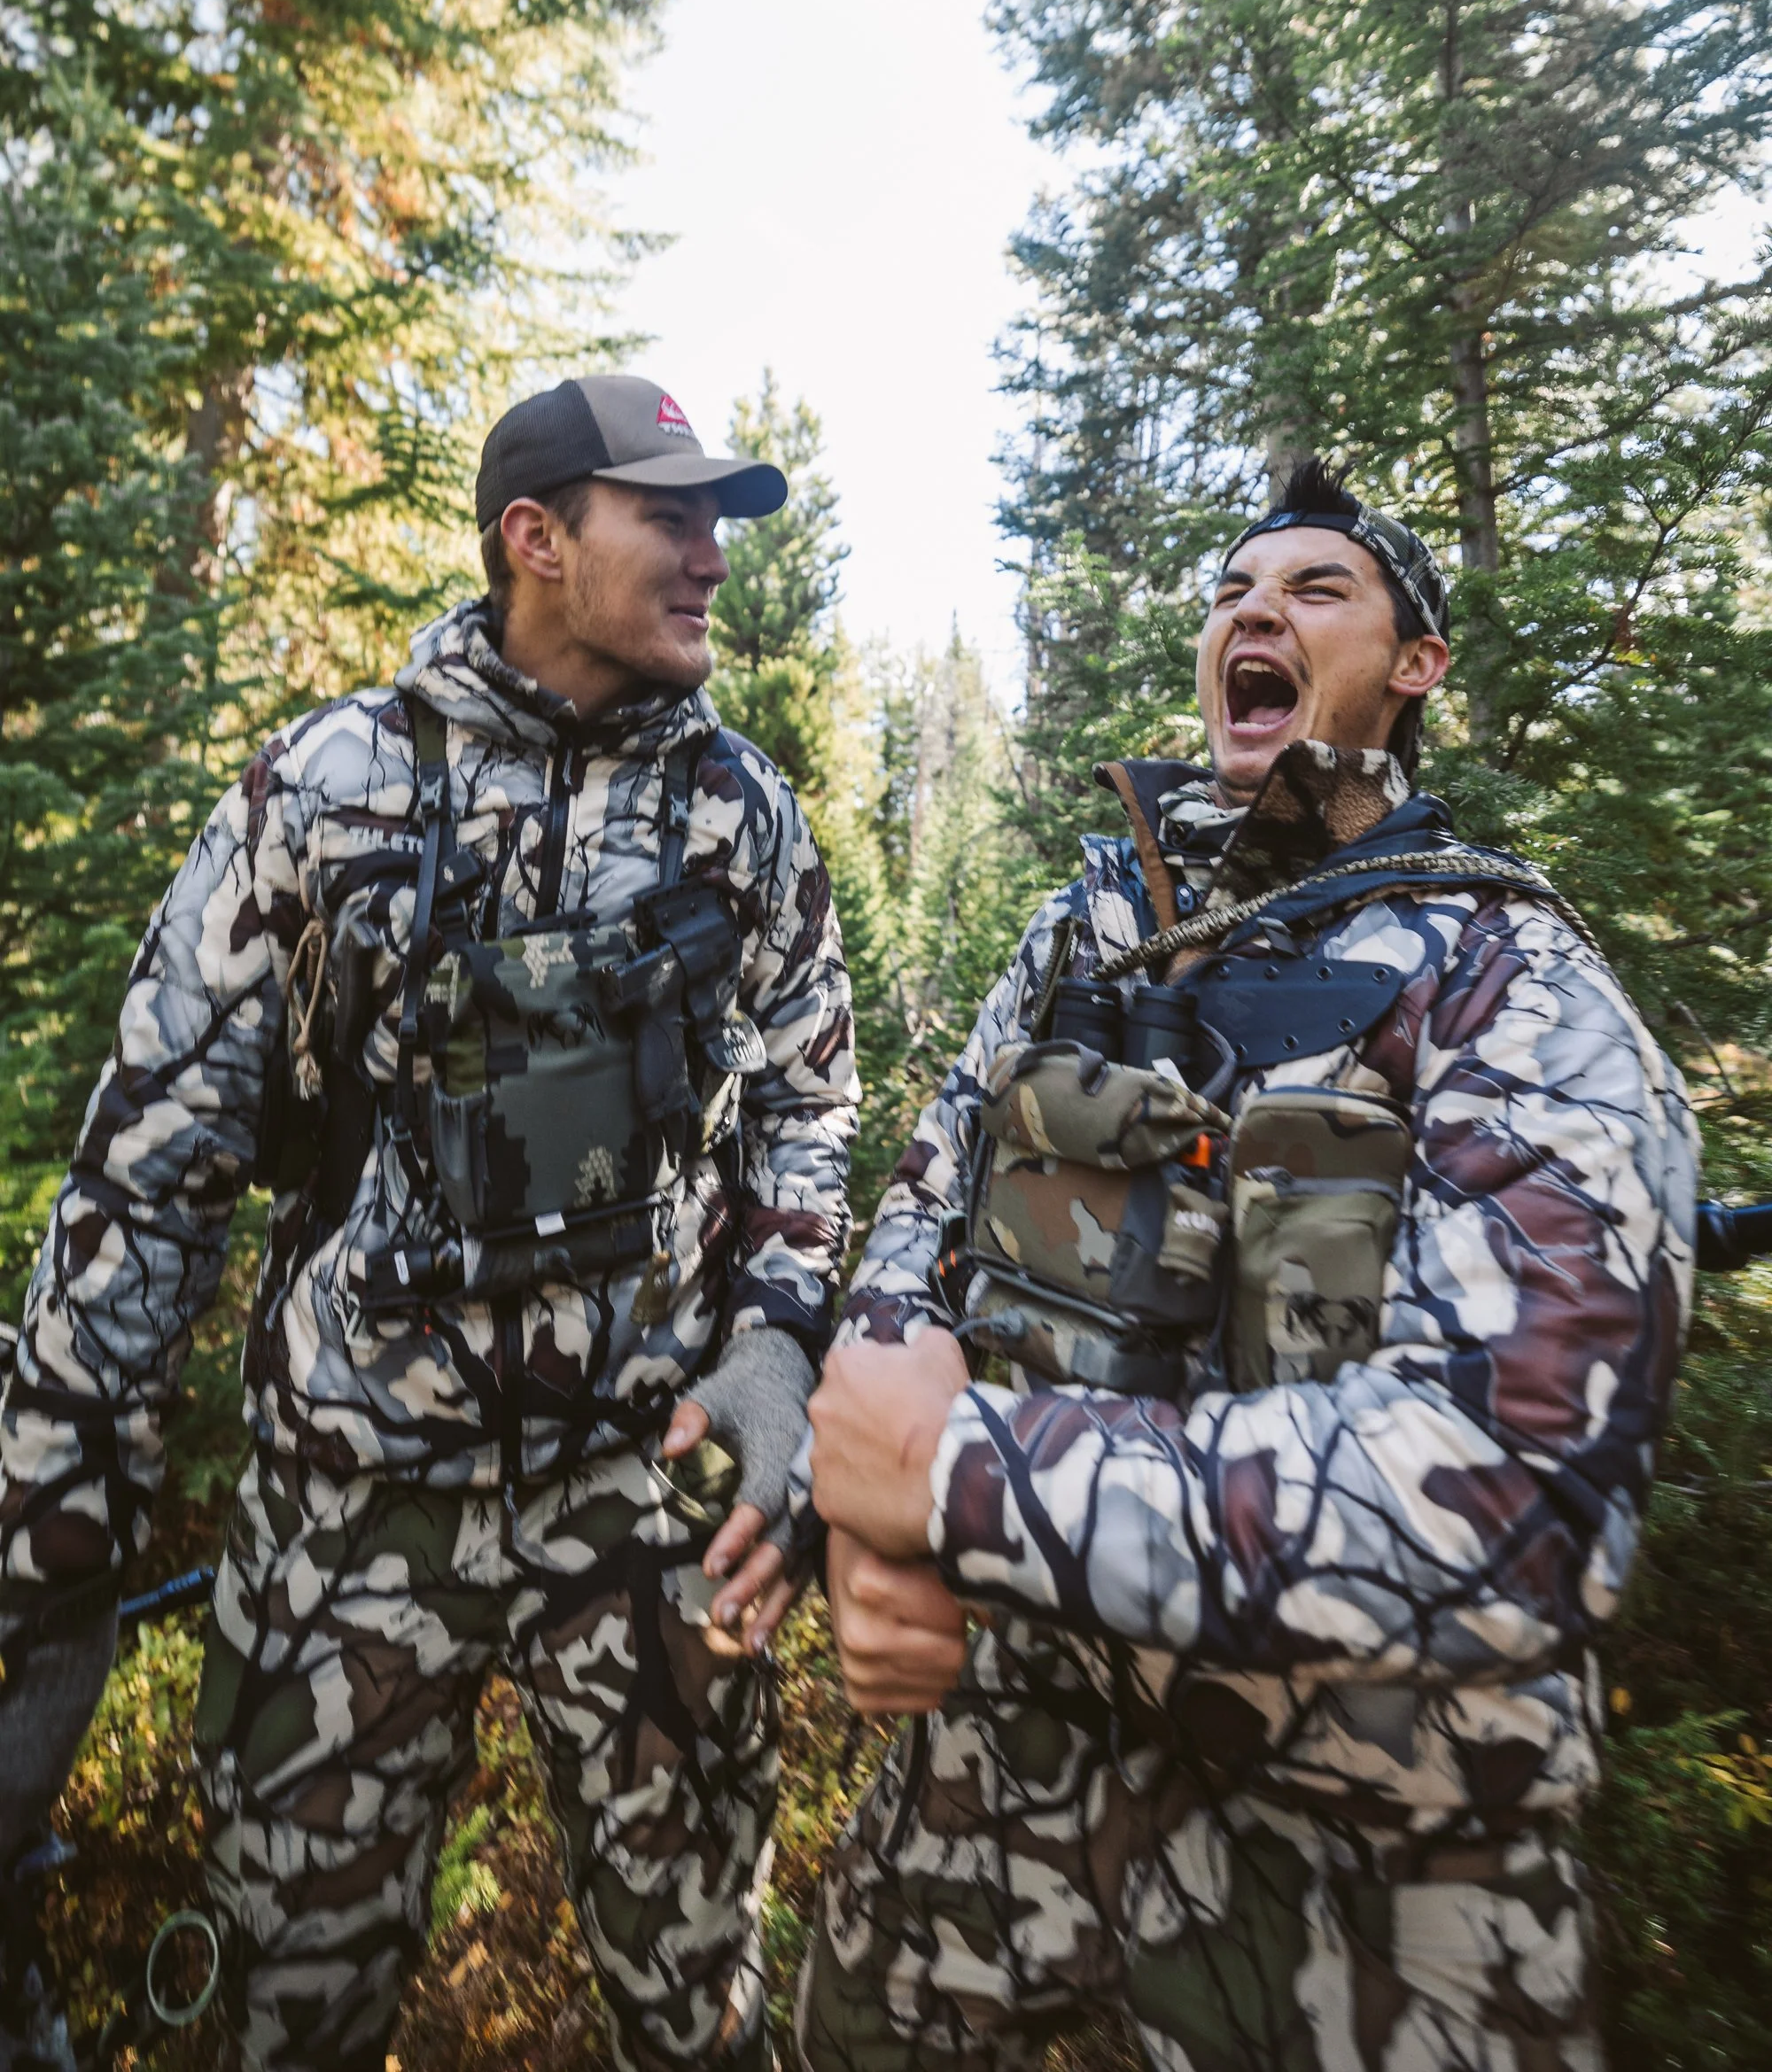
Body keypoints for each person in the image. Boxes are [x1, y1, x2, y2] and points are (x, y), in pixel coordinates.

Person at [0, 374, 856, 2072]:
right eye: (667, 517)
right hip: (353, 1495)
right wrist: (53, 1485)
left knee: (702, 2006)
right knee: (301, 2002)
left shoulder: (743, 818)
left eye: (717, 522)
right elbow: (154, 1163)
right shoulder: (324, 789)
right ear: (537, 540)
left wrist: (776, 1332)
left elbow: (808, 1101)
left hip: (641, 1485)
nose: (710, 556)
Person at [799, 456, 1694, 2072]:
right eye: (1232, 589)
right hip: (1010, 1760)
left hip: (1381, 1860)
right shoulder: (1086, 935)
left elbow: (1515, 1496)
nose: (1254, 610)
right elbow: (922, 1224)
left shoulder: (1506, 977)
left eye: (1315, 587)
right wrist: (881, 1529)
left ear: (1415, 667)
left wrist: (956, 1483)